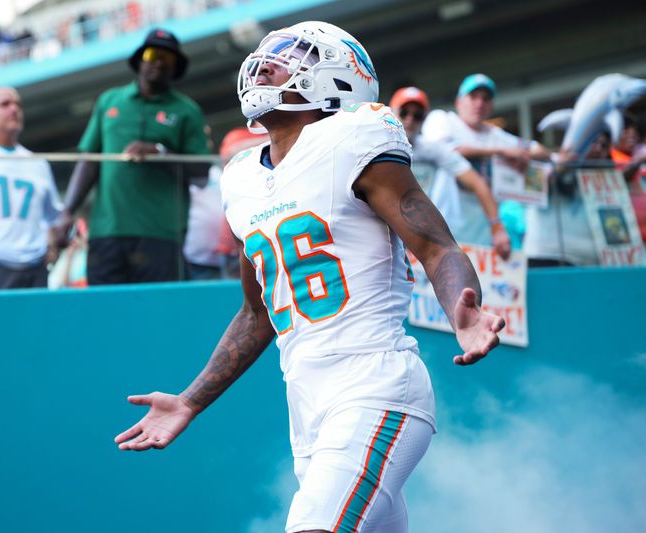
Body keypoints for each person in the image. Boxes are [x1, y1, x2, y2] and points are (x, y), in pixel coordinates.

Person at [115, 21, 505, 533]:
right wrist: (191, 400)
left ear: (339, 78)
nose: (269, 59)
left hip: (374, 385)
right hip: (308, 410)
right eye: (270, 50)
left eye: (293, 52)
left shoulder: (354, 137)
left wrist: (465, 310)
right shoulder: (242, 178)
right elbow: (258, 313)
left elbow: (435, 244)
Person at [54, 28, 211, 284]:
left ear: (175, 68)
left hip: (161, 233)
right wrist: (66, 213)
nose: (160, 62)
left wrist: (159, 151)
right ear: (140, 60)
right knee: (105, 312)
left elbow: (201, 174)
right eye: (153, 54)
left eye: (168, 58)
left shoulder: (187, 111)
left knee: (159, 314)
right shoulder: (110, 101)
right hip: (106, 231)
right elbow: (89, 162)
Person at [422, 73, 552, 247]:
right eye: (473, 97)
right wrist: (502, 151)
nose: (479, 103)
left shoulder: (495, 135)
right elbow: (447, 152)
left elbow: (540, 150)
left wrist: (524, 156)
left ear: (491, 106)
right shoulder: (442, 120)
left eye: (485, 98)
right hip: (443, 228)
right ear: (459, 101)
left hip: (486, 235)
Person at [389, 86, 510, 259]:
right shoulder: (376, 145)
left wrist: (497, 228)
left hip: (421, 236)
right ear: (391, 112)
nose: (410, 119)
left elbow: (477, 182)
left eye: (417, 115)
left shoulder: (432, 149)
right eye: (404, 112)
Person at [0, 86, 62, 290]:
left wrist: (51, 243)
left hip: (34, 268)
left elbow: (53, 216)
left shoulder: (37, 163)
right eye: (4, 104)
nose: (14, 109)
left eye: (18, 104)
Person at [183, 126, 269, 280]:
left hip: (269, 237)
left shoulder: (215, 174)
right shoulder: (238, 135)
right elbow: (231, 152)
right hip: (234, 247)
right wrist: (283, 138)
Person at [522, 132, 609, 267]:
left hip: (591, 264)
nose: (598, 149)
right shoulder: (546, 165)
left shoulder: (606, 178)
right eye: (592, 142)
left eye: (603, 145)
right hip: (547, 258)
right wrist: (559, 168)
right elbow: (532, 191)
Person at [610, 115, 646, 248]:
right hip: (632, 243)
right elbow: (619, 179)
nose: (631, 134)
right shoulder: (609, 159)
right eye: (625, 130)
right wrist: (637, 163)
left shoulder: (639, 156)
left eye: (634, 130)